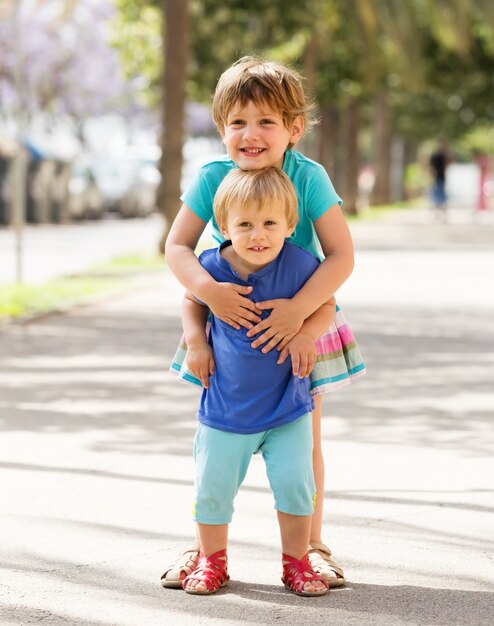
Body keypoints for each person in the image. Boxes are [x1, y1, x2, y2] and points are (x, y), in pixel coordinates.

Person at [162, 56, 366, 589]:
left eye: (266, 122)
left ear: (294, 128)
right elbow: (179, 246)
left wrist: (300, 315)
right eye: (237, 122)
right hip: (227, 323)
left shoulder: (308, 177)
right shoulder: (213, 177)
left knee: (302, 437)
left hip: (303, 322)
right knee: (217, 437)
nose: (250, 134)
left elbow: (342, 256)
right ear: (220, 128)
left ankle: (311, 546)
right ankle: (205, 548)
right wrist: (207, 295)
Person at [178, 167, 333, 595]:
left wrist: (305, 332)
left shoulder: (302, 265)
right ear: (223, 226)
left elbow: (327, 306)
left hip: (288, 409)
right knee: (213, 489)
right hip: (225, 409)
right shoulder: (210, 268)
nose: (257, 234)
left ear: (289, 224)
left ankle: (297, 563)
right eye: (244, 224)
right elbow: (192, 304)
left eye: (269, 223)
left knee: (296, 489)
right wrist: (196, 343)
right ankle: (213, 561)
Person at [429, 142, 450, 220]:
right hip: (437, 178)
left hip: (441, 178)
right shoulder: (435, 156)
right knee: (437, 196)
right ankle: (438, 213)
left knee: (441, 196)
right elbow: (430, 166)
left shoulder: (443, 156)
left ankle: (441, 213)